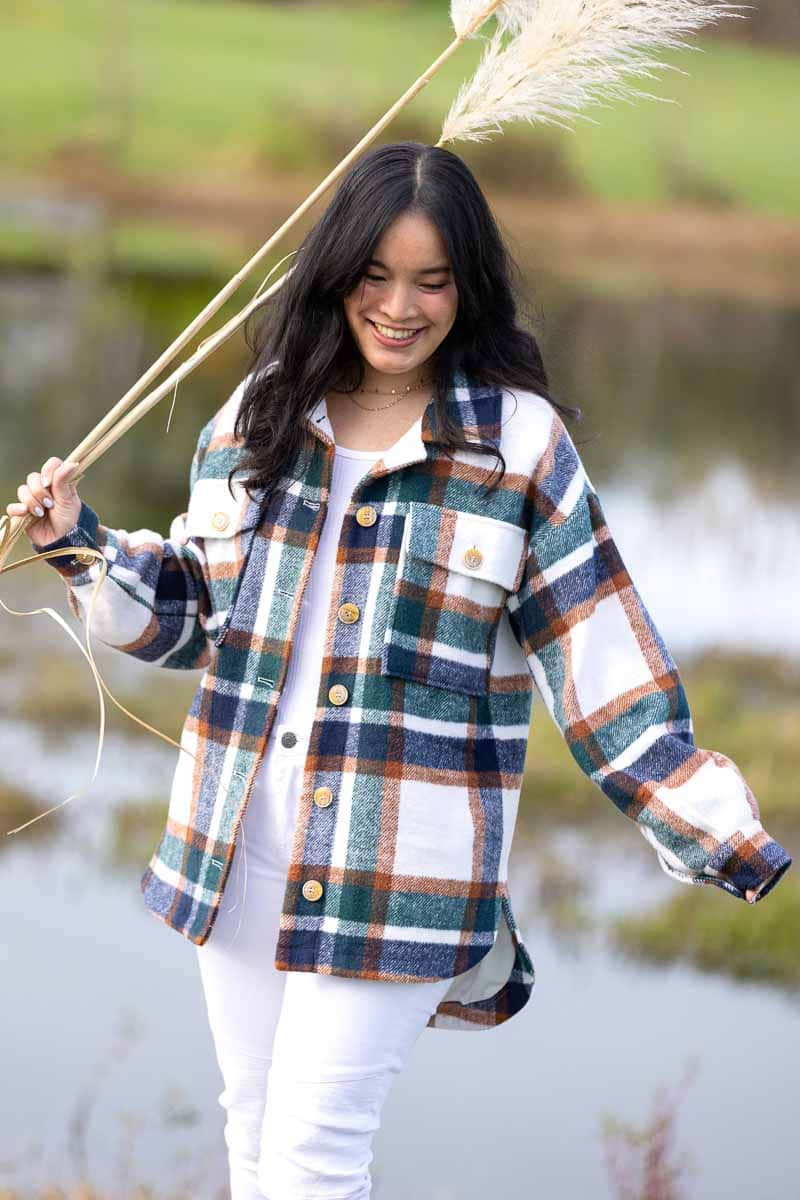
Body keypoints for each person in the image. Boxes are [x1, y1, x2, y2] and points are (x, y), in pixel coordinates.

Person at [10, 141, 791, 1200]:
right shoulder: (259, 413)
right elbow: (197, 613)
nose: (398, 307)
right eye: (374, 276)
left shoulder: (518, 446)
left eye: (431, 280)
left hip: (399, 871)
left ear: (469, 288)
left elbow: (598, 656)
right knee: (253, 1139)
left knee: (314, 1160)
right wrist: (78, 544)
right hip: (235, 839)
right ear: (336, 274)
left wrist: (720, 834)